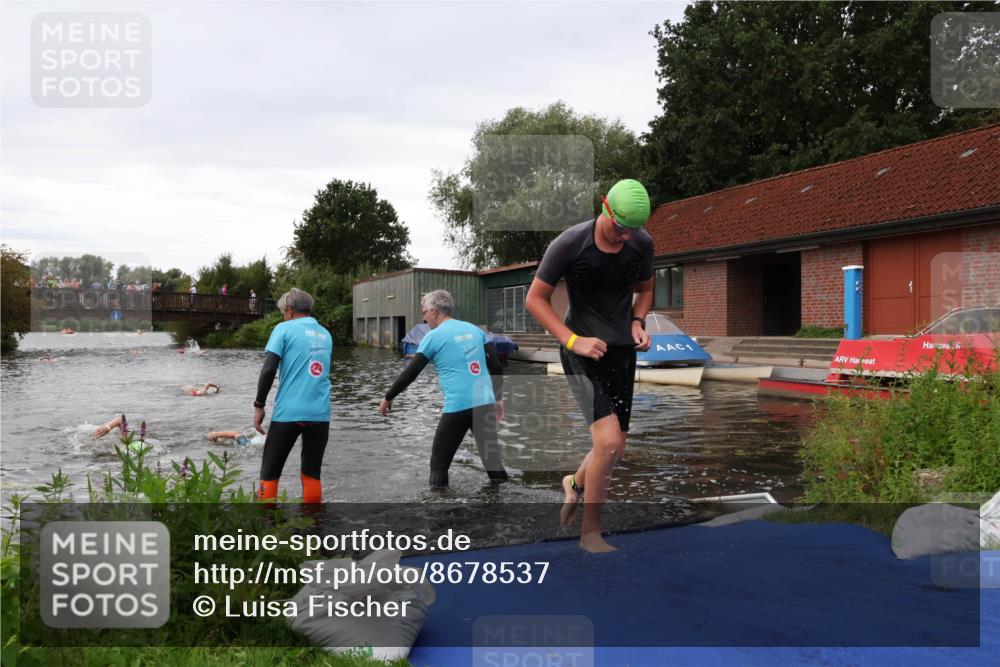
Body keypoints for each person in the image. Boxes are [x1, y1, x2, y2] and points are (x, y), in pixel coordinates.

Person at [524, 178, 654, 553]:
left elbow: (645, 291)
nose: (624, 238)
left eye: (632, 231)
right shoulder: (569, 244)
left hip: (621, 352)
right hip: (580, 351)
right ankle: (590, 534)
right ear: (605, 207)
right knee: (609, 443)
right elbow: (535, 300)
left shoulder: (641, 243)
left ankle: (574, 485)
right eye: (619, 228)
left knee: (615, 449)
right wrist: (571, 339)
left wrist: (637, 321)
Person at [379, 289, 508, 488]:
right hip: (484, 403)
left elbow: (411, 374)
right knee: (493, 462)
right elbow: (497, 366)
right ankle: (503, 503)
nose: (423, 318)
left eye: (424, 312)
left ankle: (438, 511)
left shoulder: (434, 336)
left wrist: (388, 397)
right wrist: (498, 399)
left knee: (438, 465)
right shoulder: (474, 330)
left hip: (458, 406)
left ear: (434, 311)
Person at [254, 288, 333, 503]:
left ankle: (266, 526)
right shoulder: (326, 334)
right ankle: (312, 527)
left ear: (289, 311)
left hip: (289, 412)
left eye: (283, 312)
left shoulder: (283, 329)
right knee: (311, 474)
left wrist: (259, 405)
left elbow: (269, 369)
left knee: (269, 473)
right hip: (320, 413)